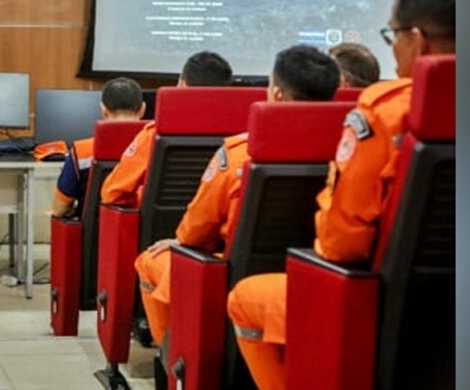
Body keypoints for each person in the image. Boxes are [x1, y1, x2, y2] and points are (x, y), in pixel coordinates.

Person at [227, 0, 456, 390]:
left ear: (419, 41)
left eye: (394, 36)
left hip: (383, 310)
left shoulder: (387, 112)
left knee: (246, 298)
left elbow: (340, 243)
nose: (393, 51)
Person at [134, 45, 340, 345]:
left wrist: (179, 240)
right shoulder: (348, 152)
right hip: (322, 271)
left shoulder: (239, 153)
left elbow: (195, 232)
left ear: (278, 95)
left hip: (232, 275)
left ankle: (177, 357)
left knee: (150, 260)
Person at [100, 51, 233, 208]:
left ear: (182, 84)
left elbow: (112, 194)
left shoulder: (155, 135)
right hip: (215, 229)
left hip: (159, 231)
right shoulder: (239, 140)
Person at [51, 77, 146, 218]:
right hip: (146, 238)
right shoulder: (153, 149)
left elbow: (59, 209)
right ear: (142, 109)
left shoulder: (82, 151)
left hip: (96, 238)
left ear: (103, 110)